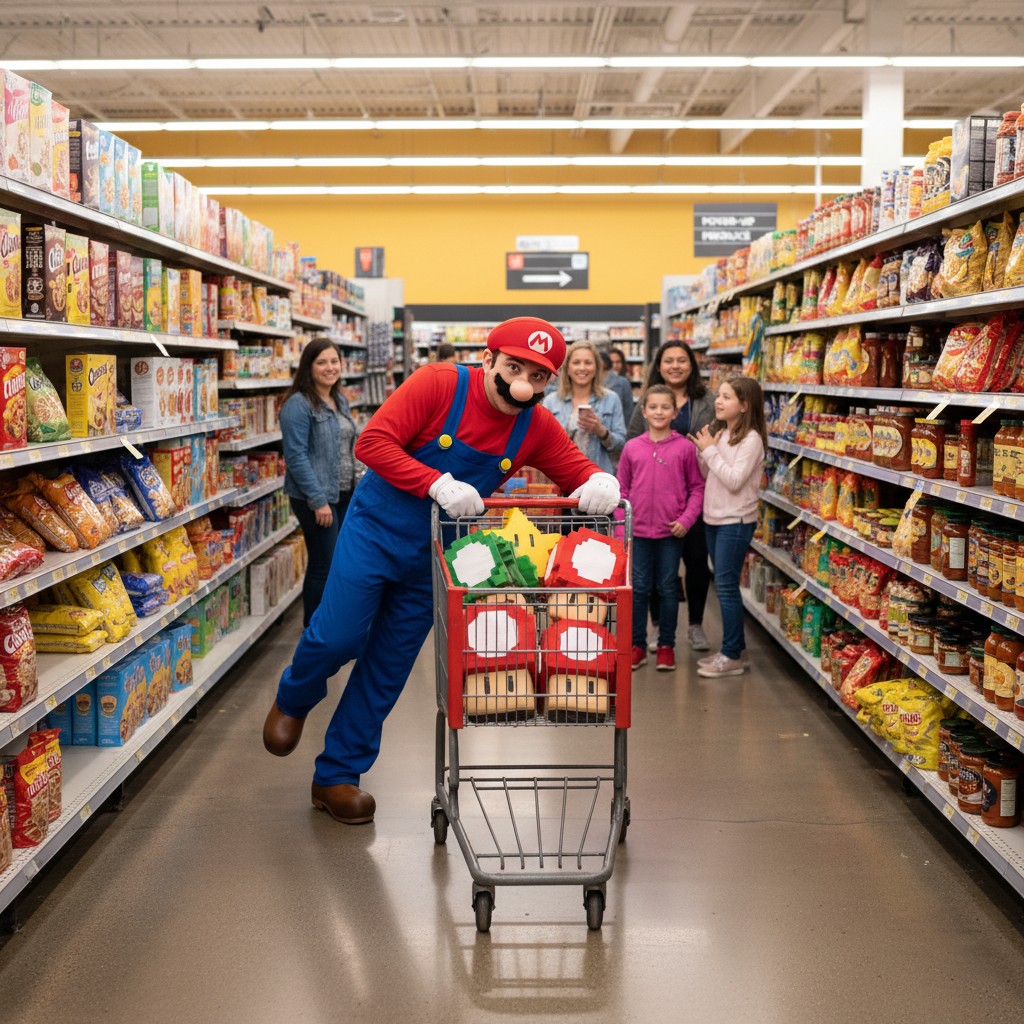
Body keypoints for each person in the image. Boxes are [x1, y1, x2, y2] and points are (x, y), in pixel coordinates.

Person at [262, 317, 621, 824]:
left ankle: (337, 775)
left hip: (434, 555)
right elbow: (372, 444)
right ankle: (295, 694)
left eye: (538, 376)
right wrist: (435, 482)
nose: (523, 383)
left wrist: (600, 479)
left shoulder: (534, 425)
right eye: (514, 367)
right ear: (488, 360)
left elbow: (576, 469)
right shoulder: (438, 384)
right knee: (337, 636)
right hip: (375, 531)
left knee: (388, 666)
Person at [626, 340, 715, 652]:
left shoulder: (706, 399)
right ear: (659, 366)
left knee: (696, 564)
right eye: (668, 361)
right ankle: (658, 627)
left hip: (695, 496)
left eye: (681, 360)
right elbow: (633, 439)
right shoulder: (647, 400)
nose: (675, 366)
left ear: (691, 364)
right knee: (656, 574)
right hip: (654, 507)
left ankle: (695, 624)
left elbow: (717, 435)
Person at [617, 385, 705, 673]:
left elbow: (696, 488)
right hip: (637, 533)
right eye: (652, 407)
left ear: (675, 412)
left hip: (672, 532)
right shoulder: (632, 448)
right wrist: (622, 530)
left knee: (667, 588)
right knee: (639, 589)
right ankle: (637, 646)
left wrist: (687, 520)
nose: (658, 412)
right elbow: (621, 490)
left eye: (664, 407)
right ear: (643, 412)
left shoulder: (684, 448)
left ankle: (666, 645)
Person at [690, 375, 767, 679]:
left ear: (745, 405)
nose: (718, 402)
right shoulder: (722, 435)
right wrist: (704, 450)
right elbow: (710, 473)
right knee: (723, 585)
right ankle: (737, 647)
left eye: (726, 397)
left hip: (735, 521)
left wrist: (709, 450)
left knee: (725, 587)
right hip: (714, 518)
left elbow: (734, 481)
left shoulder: (752, 440)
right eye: (718, 396)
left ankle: (732, 655)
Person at [279, 337, 358, 627]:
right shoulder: (298, 405)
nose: (330, 367)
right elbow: (296, 456)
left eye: (334, 361)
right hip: (315, 498)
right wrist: (318, 500)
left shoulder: (339, 399)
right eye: (322, 362)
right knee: (323, 564)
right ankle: (314, 632)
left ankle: (329, 624)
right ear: (308, 367)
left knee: (336, 562)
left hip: (342, 493)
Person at [542, 340, 626, 474]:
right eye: (576, 362)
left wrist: (601, 432)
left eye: (588, 362)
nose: (582, 368)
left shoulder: (611, 399)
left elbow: (620, 445)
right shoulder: (552, 401)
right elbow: (542, 446)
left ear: (596, 368)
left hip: (598, 479)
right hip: (560, 477)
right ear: (568, 368)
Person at [600, 349, 635, 424]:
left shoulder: (623, 383)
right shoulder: (597, 382)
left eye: (618, 362)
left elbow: (628, 412)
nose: (615, 366)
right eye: (612, 362)